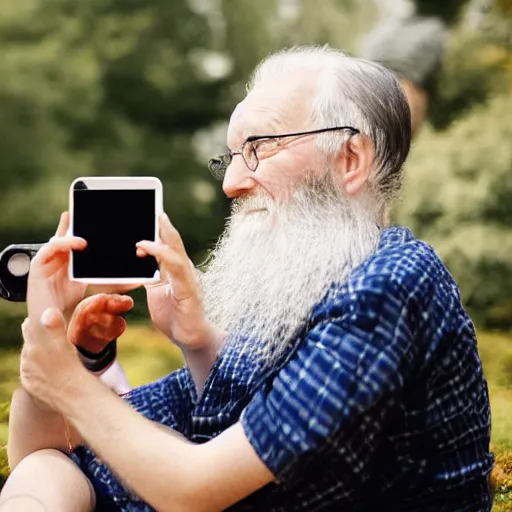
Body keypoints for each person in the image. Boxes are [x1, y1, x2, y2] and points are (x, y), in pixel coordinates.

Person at [0, 45, 493, 511]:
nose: (231, 183)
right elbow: (42, 451)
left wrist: (68, 382)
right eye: (231, 155)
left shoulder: (387, 287)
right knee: (45, 474)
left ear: (350, 160)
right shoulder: (303, 298)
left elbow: (194, 490)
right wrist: (62, 328)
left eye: (259, 147)